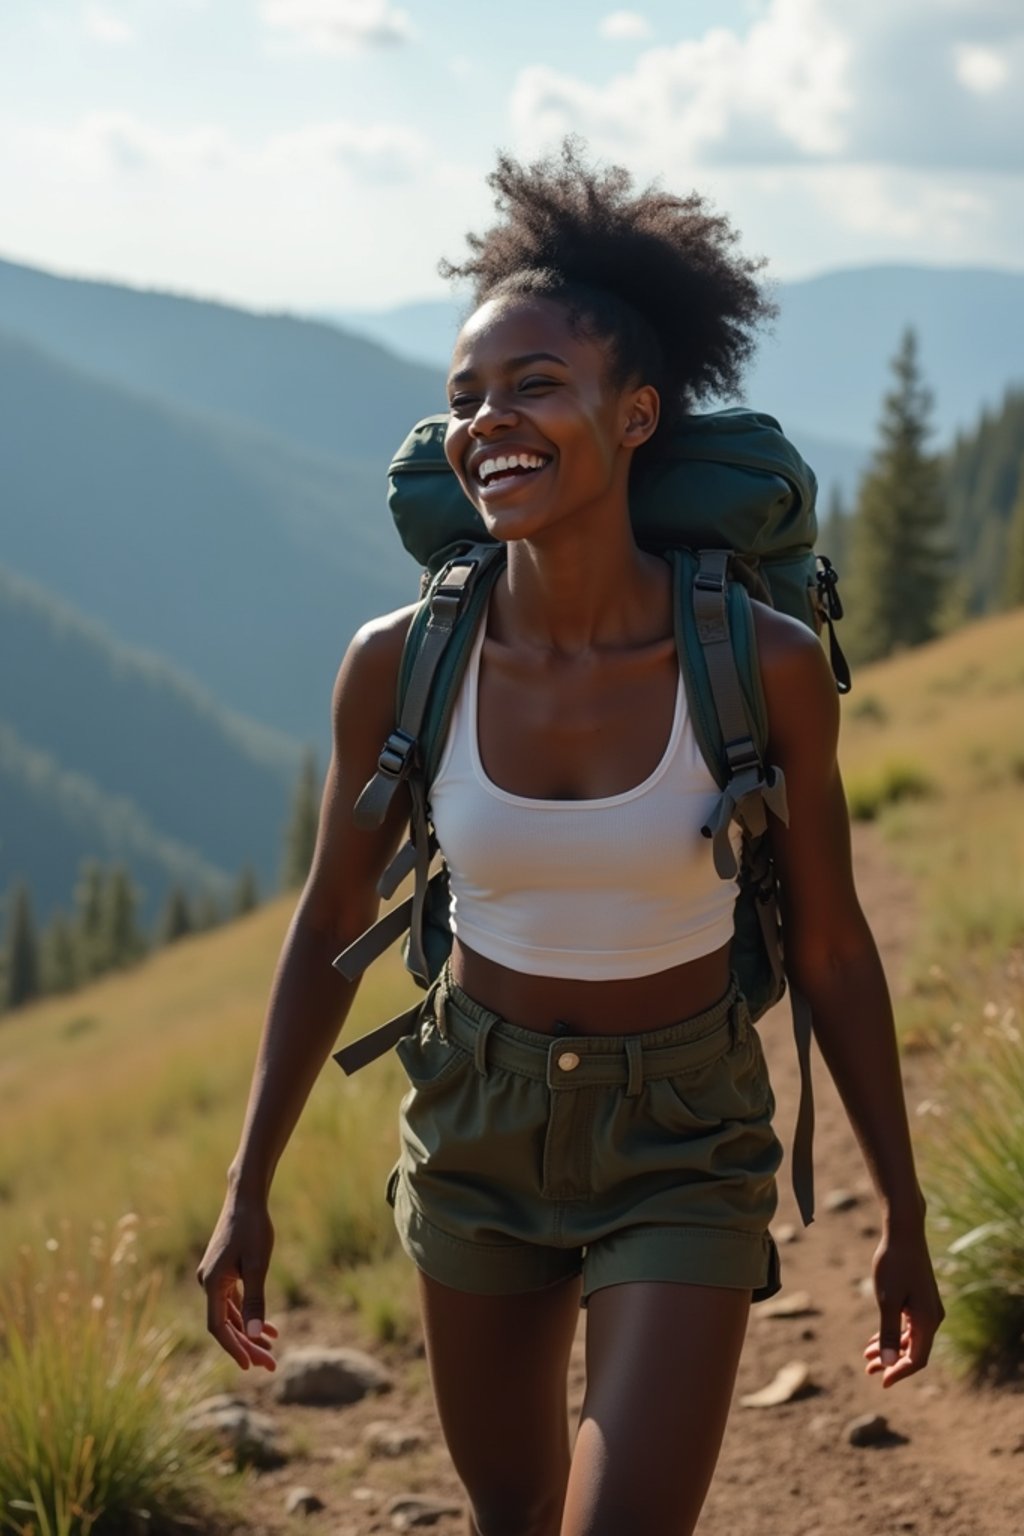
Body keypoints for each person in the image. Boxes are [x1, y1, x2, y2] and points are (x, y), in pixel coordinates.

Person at [198, 142, 944, 1535]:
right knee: (513, 1517)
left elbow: (834, 946)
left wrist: (900, 1208)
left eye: (536, 385)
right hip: (475, 1123)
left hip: (686, 1130)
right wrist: (248, 1191)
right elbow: (324, 925)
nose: (490, 423)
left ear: (640, 413)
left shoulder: (761, 663)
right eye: (465, 399)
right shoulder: (398, 663)